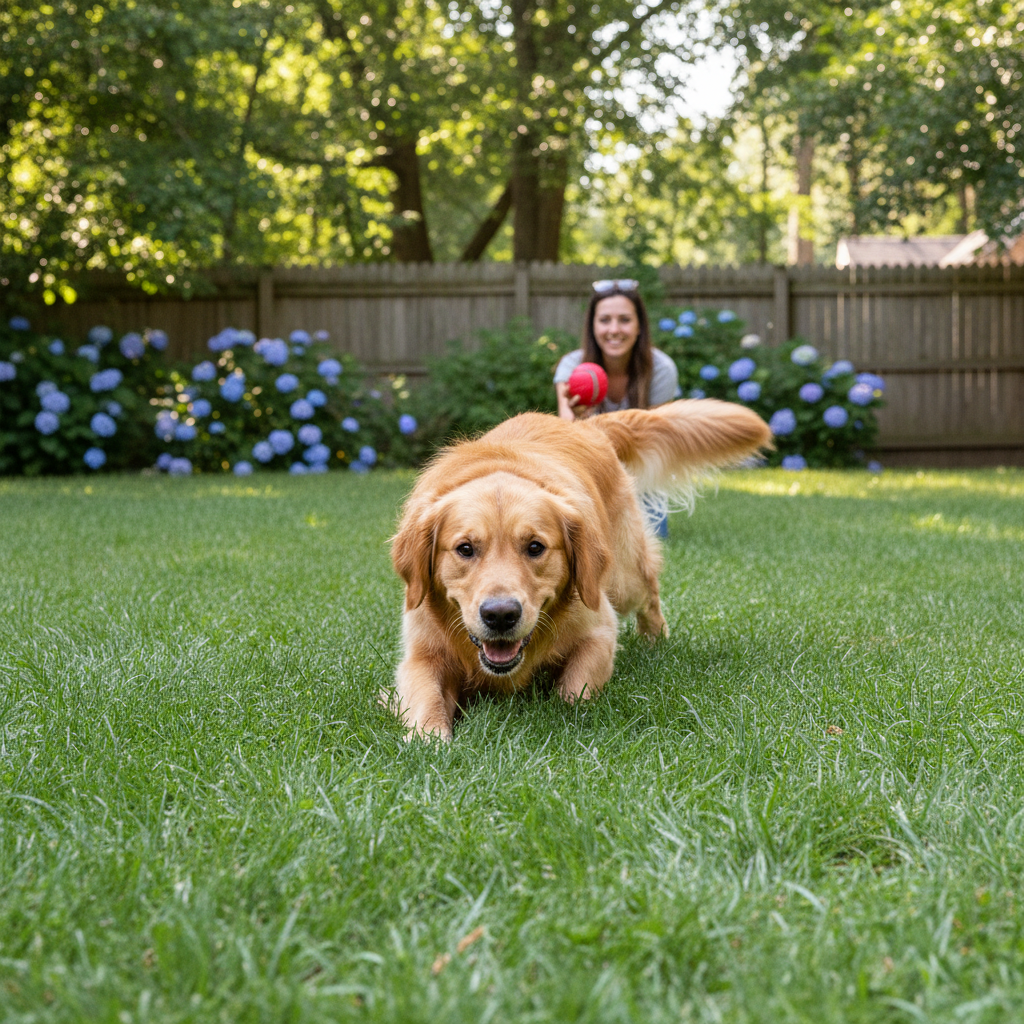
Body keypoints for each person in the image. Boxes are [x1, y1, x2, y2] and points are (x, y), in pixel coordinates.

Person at [553, 279, 680, 536]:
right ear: (593, 326)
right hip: (588, 474)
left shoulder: (661, 369)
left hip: (640, 476)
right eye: (604, 320)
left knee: (651, 535)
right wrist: (579, 419)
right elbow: (566, 444)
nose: (614, 329)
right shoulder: (571, 367)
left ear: (639, 326)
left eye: (624, 320)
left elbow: (655, 443)